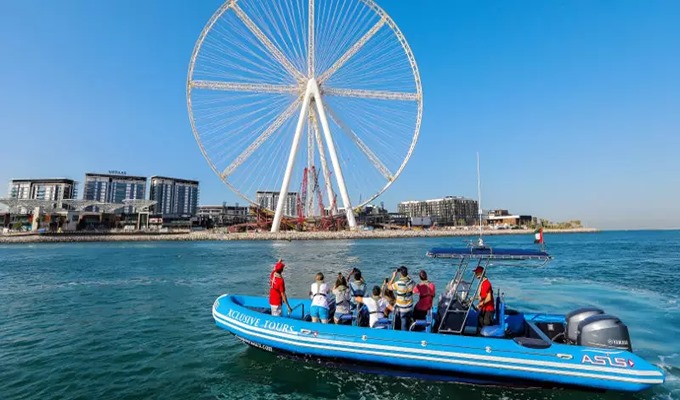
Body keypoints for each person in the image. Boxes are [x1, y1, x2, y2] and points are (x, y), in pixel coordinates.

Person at [389, 266, 415, 331]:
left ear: (400, 274)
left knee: (403, 323)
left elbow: (389, 287)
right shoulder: (412, 282)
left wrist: (393, 276)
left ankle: (404, 335)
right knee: (408, 320)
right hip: (410, 307)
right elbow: (412, 281)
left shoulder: (398, 283)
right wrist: (407, 276)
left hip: (402, 308)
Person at [474, 266, 495, 332]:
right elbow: (482, 296)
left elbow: (489, 298)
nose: (475, 274)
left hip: (488, 310)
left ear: (480, 274)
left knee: (486, 325)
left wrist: (480, 304)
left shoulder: (486, 283)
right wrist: (473, 298)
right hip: (483, 309)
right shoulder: (482, 283)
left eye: (476, 273)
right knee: (479, 321)